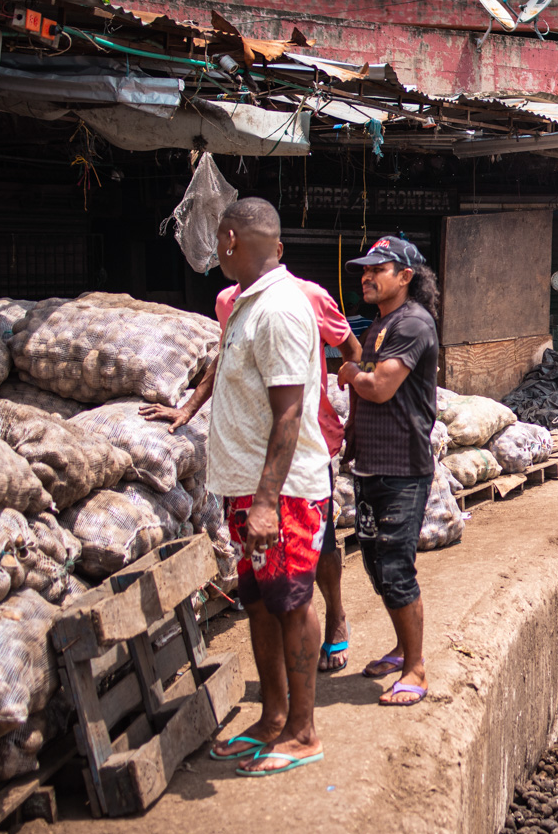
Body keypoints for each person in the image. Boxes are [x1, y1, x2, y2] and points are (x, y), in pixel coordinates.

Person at [144, 271, 356, 675]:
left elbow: (350, 347)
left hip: (304, 449)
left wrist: (353, 412)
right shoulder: (228, 301)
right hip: (249, 455)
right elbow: (227, 356)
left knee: (317, 552)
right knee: (264, 582)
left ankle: (335, 618)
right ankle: (284, 692)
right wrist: (189, 408)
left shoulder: (308, 296)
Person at [198, 198, 332, 776]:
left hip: (282, 495)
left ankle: (303, 732)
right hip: (250, 490)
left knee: (291, 603)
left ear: (228, 239)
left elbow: (289, 413)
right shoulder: (249, 306)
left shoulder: (277, 310)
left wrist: (265, 502)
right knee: (259, 602)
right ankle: (272, 719)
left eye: (217, 241)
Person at [338, 235, 441, 707]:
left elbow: (378, 388)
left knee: (397, 568)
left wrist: (349, 374)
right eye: (364, 269)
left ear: (405, 276)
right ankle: (402, 650)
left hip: (403, 468)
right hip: (372, 465)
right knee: (378, 566)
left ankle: (417, 668)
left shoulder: (414, 324)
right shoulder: (382, 324)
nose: (366, 276)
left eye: (377, 269)